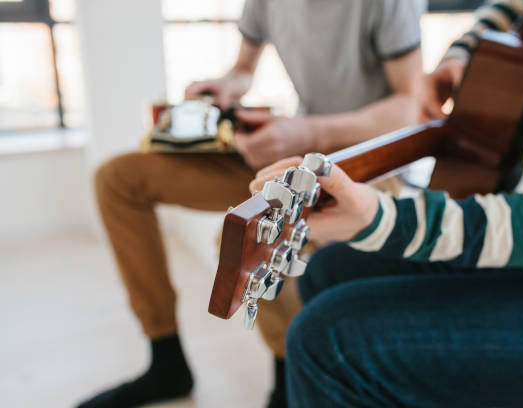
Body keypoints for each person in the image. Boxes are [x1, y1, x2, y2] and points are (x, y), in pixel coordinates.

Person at [250, 0, 523, 406]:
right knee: (328, 269)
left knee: (329, 346)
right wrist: (464, 55)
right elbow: (515, 4)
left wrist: (384, 219)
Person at [77, 1, 428, 407]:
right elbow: (244, 68)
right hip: (296, 152)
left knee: (251, 240)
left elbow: (410, 108)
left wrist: (307, 131)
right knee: (117, 180)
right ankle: (166, 359)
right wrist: (228, 85)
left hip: (365, 164)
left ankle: (288, 387)